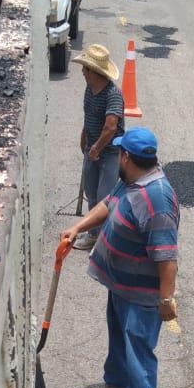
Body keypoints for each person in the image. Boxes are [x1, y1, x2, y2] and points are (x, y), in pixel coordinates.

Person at [61, 127, 179, 388]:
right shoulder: (129, 181)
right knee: (117, 337)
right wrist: (77, 227)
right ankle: (116, 382)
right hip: (120, 284)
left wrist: (166, 300)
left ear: (126, 157)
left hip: (142, 296)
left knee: (139, 352)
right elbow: (107, 204)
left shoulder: (157, 198)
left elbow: (167, 257)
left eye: (119, 153)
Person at [72, 43, 124, 251]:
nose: (82, 71)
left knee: (105, 197)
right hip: (92, 149)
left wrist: (96, 148)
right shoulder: (89, 89)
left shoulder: (113, 94)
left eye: (85, 68)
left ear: (94, 72)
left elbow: (110, 127)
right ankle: (94, 235)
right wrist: (85, 136)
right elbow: (89, 115)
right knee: (92, 193)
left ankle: (105, 240)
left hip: (109, 152)